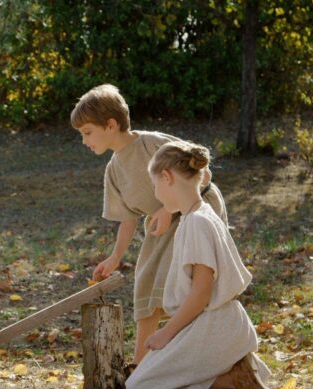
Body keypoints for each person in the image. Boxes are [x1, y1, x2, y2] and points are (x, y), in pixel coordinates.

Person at [71, 84, 228, 366]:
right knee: (145, 281)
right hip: (162, 225)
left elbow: (202, 174)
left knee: (186, 283)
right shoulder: (113, 171)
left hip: (196, 213)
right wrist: (115, 257)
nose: (84, 141)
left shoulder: (152, 143)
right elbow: (128, 219)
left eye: (87, 133)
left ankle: (191, 353)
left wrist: (169, 208)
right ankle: (141, 363)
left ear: (110, 124)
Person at [125, 141, 286, 389]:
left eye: (155, 185)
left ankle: (233, 378)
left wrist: (166, 333)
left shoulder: (198, 222)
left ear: (167, 178)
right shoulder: (198, 214)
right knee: (142, 379)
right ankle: (232, 369)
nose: (156, 193)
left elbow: (201, 294)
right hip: (208, 323)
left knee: (139, 387)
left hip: (214, 325)